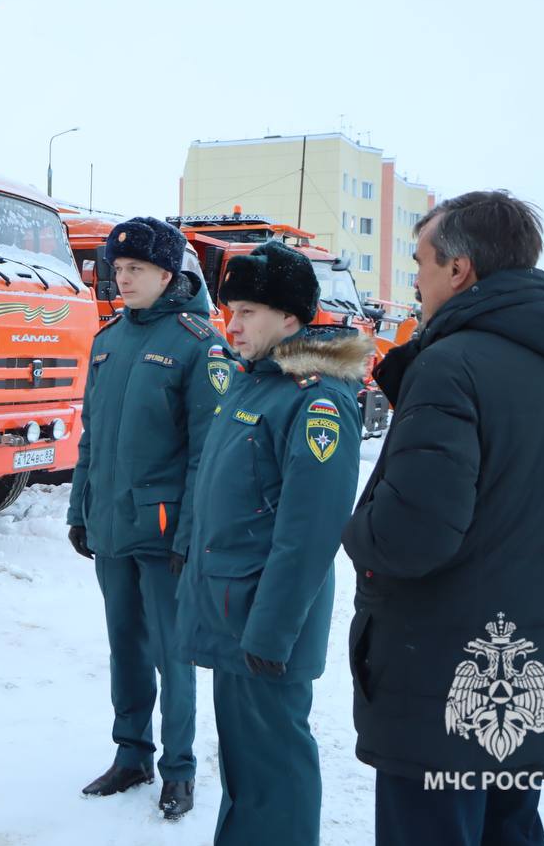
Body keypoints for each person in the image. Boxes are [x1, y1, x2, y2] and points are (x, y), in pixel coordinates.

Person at [342, 191, 544, 846]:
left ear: (459, 269)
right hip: (528, 674)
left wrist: (354, 529)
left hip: (440, 686)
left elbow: (410, 535)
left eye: (420, 265)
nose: (416, 282)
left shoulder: (450, 363)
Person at [176, 240, 374, 845]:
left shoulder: (313, 399)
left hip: (264, 624)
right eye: (229, 309)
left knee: (274, 769)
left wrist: (271, 632)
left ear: (290, 319)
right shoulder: (255, 381)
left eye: (248, 313)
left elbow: (309, 534)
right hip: (235, 609)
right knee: (246, 767)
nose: (230, 323)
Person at [66, 216, 222, 820]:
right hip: (111, 527)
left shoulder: (197, 343)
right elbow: (91, 435)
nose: (123, 279)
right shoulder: (107, 339)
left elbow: (207, 455)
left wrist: (188, 535)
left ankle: (178, 768)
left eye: (136, 270)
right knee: (123, 647)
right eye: (118, 269)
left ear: (168, 273)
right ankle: (132, 754)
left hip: (163, 535)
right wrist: (81, 507)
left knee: (170, 652)